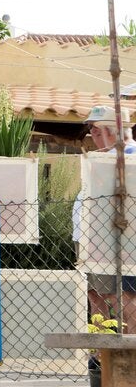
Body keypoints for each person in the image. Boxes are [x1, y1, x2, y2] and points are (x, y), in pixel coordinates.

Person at [75, 105, 136, 334]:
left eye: (98, 128)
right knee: (96, 295)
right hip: (91, 238)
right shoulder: (102, 157)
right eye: (91, 129)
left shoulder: (130, 155)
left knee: (125, 297)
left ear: (114, 129)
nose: (93, 134)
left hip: (118, 239)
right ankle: (103, 350)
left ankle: (129, 349)